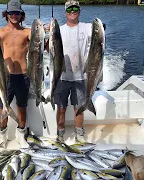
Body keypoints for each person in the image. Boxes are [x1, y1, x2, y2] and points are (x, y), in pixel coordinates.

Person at [0, 0, 31, 148]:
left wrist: (45, 33)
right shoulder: (0, 32)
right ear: (6, 14)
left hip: (23, 76)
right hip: (5, 77)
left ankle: (21, 135)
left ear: (21, 15)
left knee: (22, 108)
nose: (14, 15)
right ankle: (3, 137)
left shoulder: (27, 32)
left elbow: (42, 46)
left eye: (17, 13)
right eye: (11, 13)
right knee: (3, 108)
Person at [53, 0, 92, 143]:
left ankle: (79, 133)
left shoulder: (87, 27)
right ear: (65, 12)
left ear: (80, 11)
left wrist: (102, 28)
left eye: (75, 8)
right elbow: (48, 49)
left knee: (79, 108)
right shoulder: (59, 30)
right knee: (61, 108)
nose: (72, 11)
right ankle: (60, 133)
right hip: (62, 77)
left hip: (81, 76)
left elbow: (99, 30)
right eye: (69, 9)